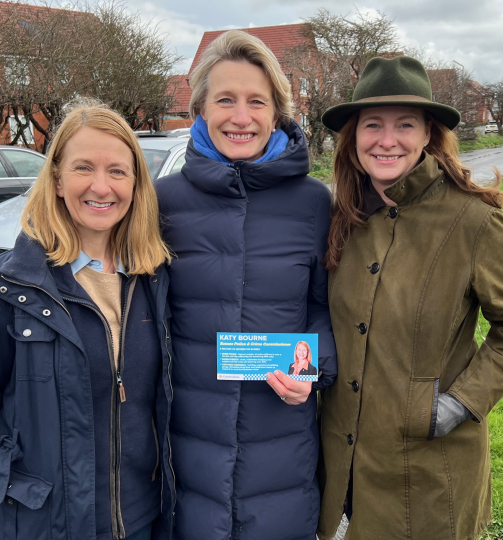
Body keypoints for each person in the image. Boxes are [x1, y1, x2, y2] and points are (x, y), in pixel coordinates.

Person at [316, 56, 503, 540]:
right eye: (372, 125)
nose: (387, 140)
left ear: (428, 135)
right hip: (350, 460)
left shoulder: (475, 221)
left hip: (431, 468)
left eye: (405, 125)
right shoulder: (343, 219)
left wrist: (457, 405)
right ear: (353, 136)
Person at [0, 103, 176, 540]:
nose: (101, 186)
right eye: (83, 167)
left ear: (136, 184)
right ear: (56, 179)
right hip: (45, 524)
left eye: (118, 171)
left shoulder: (153, 279)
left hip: (141, 521)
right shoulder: (6, 284)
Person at [154, 30, 336, 540]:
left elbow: (327, 309)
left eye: (257, 101)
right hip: (186, 450)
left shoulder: (313, 203)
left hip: (283, 449)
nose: (241, 117)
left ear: (276, 111)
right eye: (225, 100)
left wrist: (315, 368)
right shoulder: (162, 201)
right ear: (201, 110)